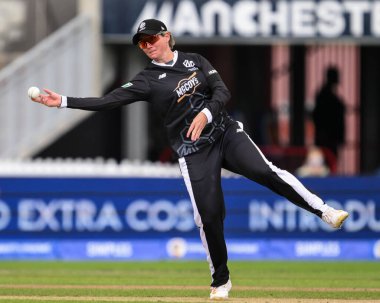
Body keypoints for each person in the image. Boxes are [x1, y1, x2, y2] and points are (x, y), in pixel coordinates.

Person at [31, 19, 349, 300]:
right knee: (209, 214)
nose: (147, 47)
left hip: (224, 133)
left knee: (266, 172)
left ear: (167, 36)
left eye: (151, 40)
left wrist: (207, 113)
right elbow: (107, 101)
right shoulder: (146, 79)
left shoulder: (196, 61)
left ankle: (324, 211)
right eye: (142, 44)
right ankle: (221, 281)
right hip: (192, 150)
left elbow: (221, 93)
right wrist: (62, 101)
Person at [313, 66, 346, 157]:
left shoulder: (326, 94)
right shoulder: (325, 95)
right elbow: (320, 115)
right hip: (327, 138)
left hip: (329, 137)